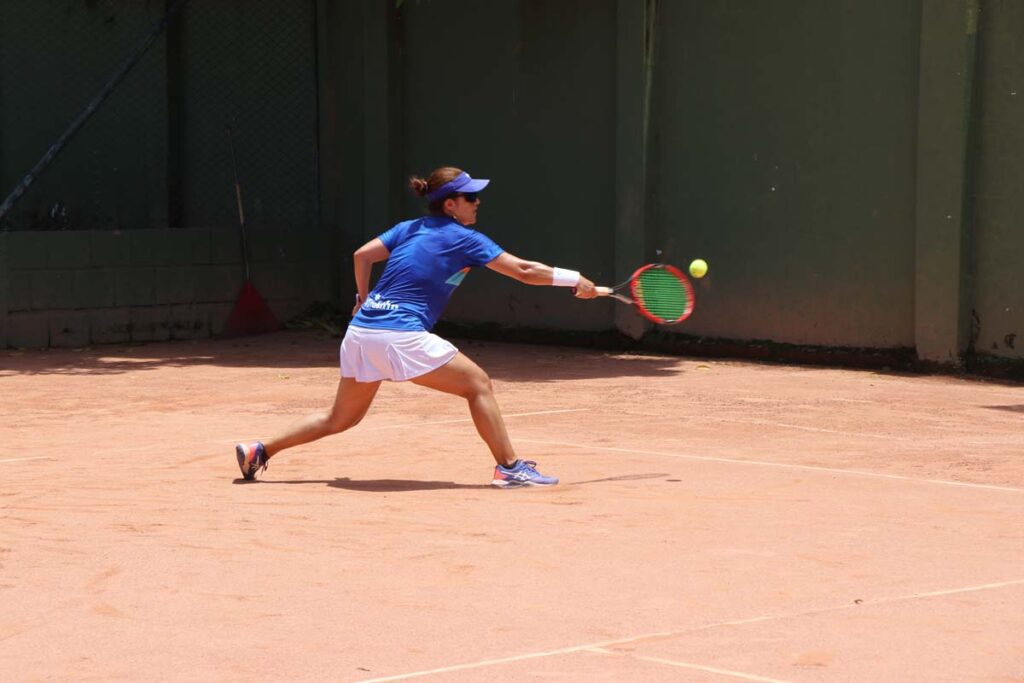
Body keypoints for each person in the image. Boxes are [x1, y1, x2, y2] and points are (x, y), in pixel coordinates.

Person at [235, 166, 597, 487]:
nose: (477, 202)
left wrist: (363, 298)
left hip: (361, 332)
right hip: (399, 334)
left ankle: (260, 450)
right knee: (478, 385)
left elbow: (362, 255)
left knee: (339, 418)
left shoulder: (408, 228)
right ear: (450, 204)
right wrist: (574, 279)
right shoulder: (465, 239)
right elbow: (524, 271)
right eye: (470, 197)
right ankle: (510, 468)